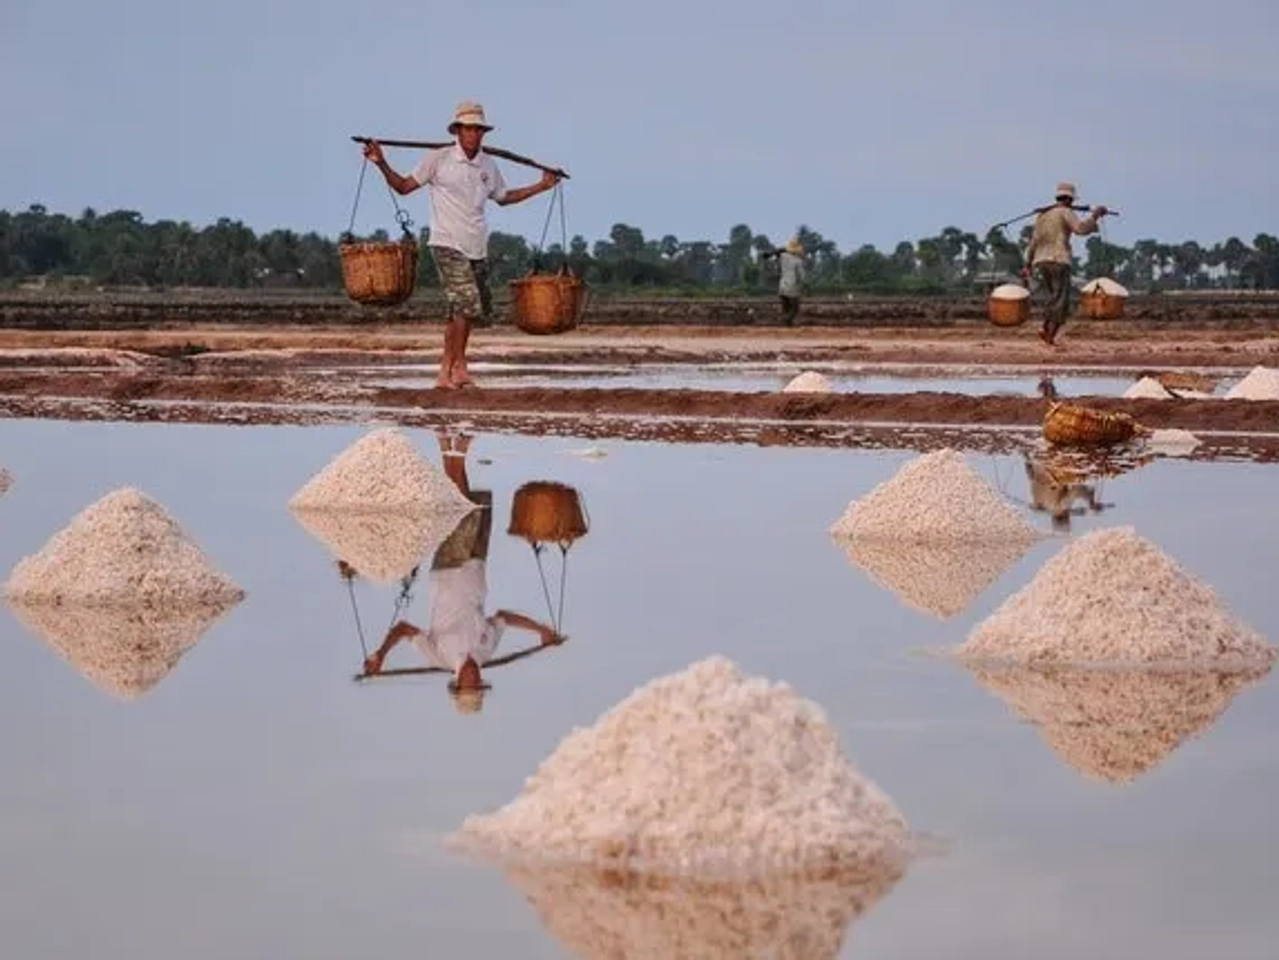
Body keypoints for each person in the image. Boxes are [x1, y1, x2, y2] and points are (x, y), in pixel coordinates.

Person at [360, 429, 565, 713]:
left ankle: (460, 446)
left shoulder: (438, 657)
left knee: (460, 508)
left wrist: (380, 654)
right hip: (477, 564)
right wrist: (541, 630)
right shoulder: (485, 651)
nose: (474, 678)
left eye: (469, 683)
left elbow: (403, 629)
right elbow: (504, 617)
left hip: (449, 568)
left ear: (457, 684)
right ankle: (445, 441)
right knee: (470, 504)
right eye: (478, 683)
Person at [361, 101, 562, 389]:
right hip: (446, 243)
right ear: (457, 130)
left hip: (476, 245)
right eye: (469, 129)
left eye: (478, 129)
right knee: (467, 303)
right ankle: (454, 367)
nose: (474, 134)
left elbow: (504, 197)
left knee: (461, 311)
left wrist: (541, 186)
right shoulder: (439, 159)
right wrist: (380, 162)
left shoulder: (487, 165)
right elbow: (404, 187)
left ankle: (451, 368)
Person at [1021, 182, 1108, 346]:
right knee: (1060, 300)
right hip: (1058, 259)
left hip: (1041, 261)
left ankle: (1046, 329)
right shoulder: (1066, 212)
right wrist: (1095, 216)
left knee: (1053, 297)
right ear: (1070, 199)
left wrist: (1028, 264)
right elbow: (1081, 229)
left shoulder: (1042, 215)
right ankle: (1049, 334)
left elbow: (1033, 242)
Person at [762, 236, 806, 325]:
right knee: (795, 308)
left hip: (782, 286)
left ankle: (787, 327)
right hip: (792, 288)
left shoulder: (783, 256)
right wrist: (804, 285)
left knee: (785, 308)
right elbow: (802, 277)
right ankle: (784, 320)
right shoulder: (798, 261)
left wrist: (769, 254)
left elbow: (775, 254)